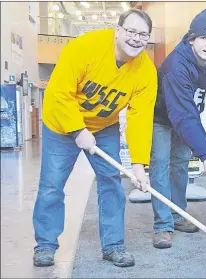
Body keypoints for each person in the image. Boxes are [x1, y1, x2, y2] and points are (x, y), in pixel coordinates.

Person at [32, 9, 157, 267]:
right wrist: (77, 131)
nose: (136, 39)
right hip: (60, 125)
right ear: (118, 30)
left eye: (143, 35)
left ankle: (113, 245)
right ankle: (45, 245)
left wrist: (139, 164)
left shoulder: (146, 71)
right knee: (52, 184)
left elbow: (140, 119)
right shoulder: (85, 48)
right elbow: (58, 94)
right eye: (131, 31)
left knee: (111, 181)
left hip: (103, 126)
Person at [146, 9, 206, 249]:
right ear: (191, 39)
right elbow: (182, 114)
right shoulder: (176, 65)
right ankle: (163, 225)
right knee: (160, 165)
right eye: (204, 38)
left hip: (187, 116)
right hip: (162, 118)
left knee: (181, 164)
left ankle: (177, 214)